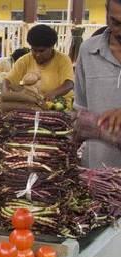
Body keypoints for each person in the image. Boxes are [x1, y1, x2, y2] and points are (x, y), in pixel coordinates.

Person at [74, 0, 121, 167]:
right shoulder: (88, 50)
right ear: (106, 12)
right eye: (115, 22)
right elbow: (81, 108)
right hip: (97, 170)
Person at [4, 24, 74, 101]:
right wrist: (6, 95)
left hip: (61, 104)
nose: (37, 55)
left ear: (51, 47)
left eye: (41, 51)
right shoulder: (24, 60)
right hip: (34, 104)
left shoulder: (63, 59)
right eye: (34, 50)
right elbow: (7, 81)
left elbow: (69, 84)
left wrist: (53, 94)